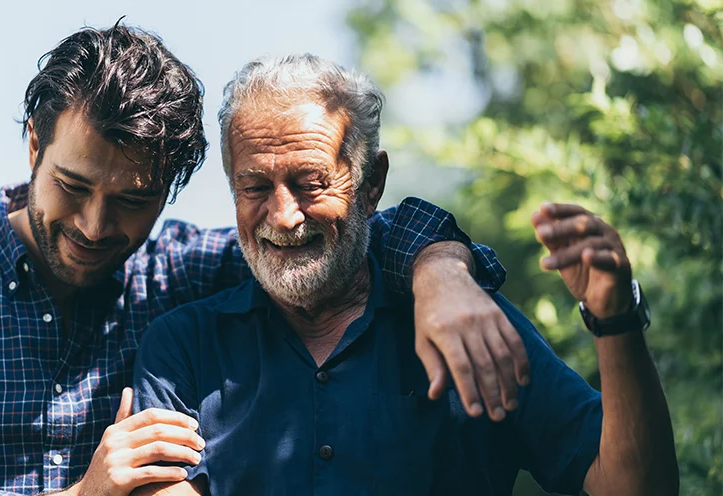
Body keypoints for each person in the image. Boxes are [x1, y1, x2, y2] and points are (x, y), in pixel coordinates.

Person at [0, 22, 528, 496]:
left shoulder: (185, 274)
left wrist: (441, 270)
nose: (96, 227)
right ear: (34, 147)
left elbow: (344, 231)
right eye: (73, 187)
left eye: (133, 199)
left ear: (170, 192)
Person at [131, 54, 679, 495]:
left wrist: (616, 318)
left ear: (372, 183)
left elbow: (635, 487)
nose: (283, 215)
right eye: (254, 187)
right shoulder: (182, 349)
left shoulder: (470, 322)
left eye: (311, 182)